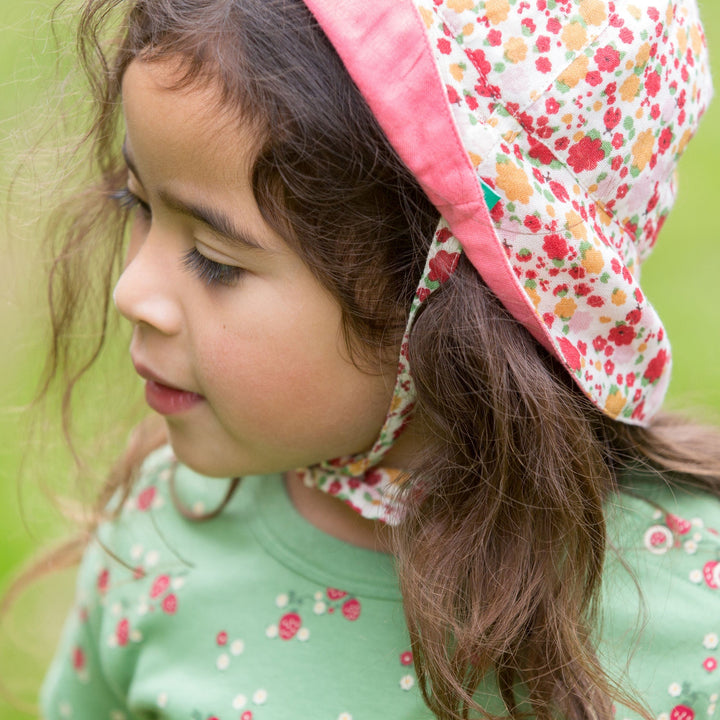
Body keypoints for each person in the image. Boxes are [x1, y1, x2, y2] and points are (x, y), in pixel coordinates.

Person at [31, 0, 720, 718]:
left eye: (214, 260)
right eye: (135, 201)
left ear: (452, 302)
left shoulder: (693, 621)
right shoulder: (163, 531)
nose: (131, 290)